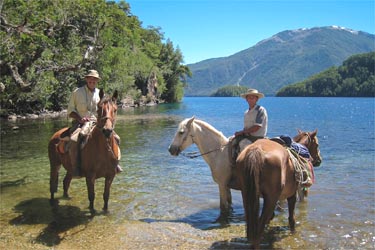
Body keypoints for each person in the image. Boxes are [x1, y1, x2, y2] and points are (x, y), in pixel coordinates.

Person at [63, 69, 122, 175]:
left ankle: (114, 163)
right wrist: (80, 118)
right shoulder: (77, 92)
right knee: (74, 139)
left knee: (116, 138)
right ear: (86, 79)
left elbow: (105, 110)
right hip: (80, 122)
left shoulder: (100, 94)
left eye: (94, 79)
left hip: (97, 122)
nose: (92, 81)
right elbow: (70, 111)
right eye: (90, 79)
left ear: (97, 81)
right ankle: (76, 166)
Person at [231, 88, 268, 162]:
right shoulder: (246, 112)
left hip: (257, 137)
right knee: (231, 141)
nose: (251, 99)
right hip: (247, 136)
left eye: (253, 98)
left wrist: (241, 132)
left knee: (243, 146)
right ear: (246, 99)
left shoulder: (260, 110)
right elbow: (247, 127)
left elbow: (257, 127)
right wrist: (241, 133)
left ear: (256, 99)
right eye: (249, 98)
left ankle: (242, 166)